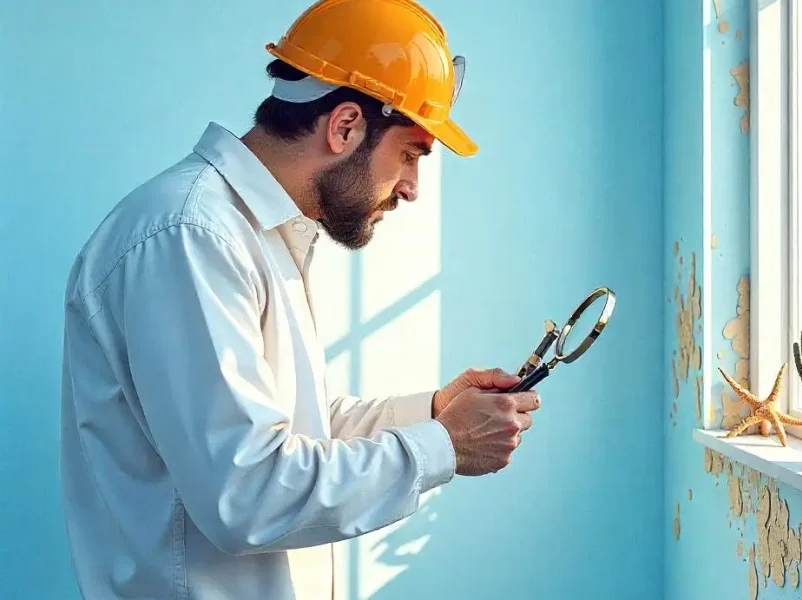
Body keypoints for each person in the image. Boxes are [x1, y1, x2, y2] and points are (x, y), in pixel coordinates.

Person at [58, 1, 541, 598]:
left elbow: (294, 431)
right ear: (344, 127)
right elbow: (248, 494)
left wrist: (437, 411)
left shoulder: (251, 232)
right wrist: (445, 446)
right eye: (411, 153)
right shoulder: (191, 238)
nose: (413, 188)